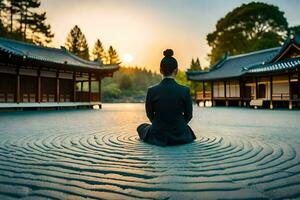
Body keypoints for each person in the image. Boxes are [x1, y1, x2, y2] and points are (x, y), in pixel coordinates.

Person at [137, 49, 196, 146]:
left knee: (141, 127)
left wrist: (160, 124)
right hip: (179, 133)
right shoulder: (185, 90)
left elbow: (150, 115)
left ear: (160, 70)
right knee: (186, 128)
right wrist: (177, 125)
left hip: (158, 132)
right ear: (176, 70)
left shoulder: (152, 91)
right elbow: (189, 115)